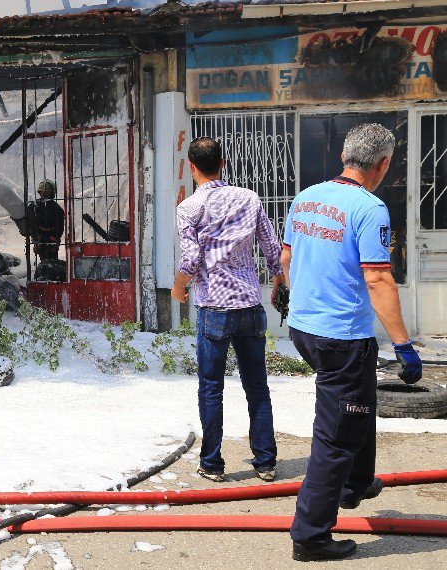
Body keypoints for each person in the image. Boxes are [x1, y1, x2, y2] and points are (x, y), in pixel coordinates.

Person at [282, 123, 421, 562]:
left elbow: (286, 258)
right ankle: (310, 535)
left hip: (305, 328)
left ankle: (356, 483)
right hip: (340, 335)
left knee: (359, 401)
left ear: (345, 156)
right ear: (383, 164)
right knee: (338, 433)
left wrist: (294, 295)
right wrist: (404, 345)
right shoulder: (369, 207)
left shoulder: (307, 197)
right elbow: (378, 278)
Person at [171, 137, 284, 484]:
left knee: (211, 387)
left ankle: (213, 464)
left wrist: (178, 287)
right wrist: (278, 281)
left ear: (192, 167)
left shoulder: (189, 208)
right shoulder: (249, 198)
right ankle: (265, 462)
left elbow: (190, 261)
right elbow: (271, 247)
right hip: (250, 305)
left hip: (214, 308)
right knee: (257, 386)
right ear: (223, 164)